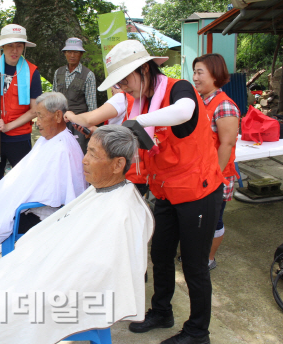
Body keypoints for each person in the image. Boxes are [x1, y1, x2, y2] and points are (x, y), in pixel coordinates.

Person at [0, 125, 154, 344]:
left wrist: (50, 273)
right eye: (87, 151)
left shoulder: (122, 211)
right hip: (56, 270)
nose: (84, 160)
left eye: (93, 154)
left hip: (70, 289)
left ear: (118, 164)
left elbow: (102, 272)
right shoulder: (103, 190)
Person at [99, 40, 224, 344]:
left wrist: (138, 121)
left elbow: (184, 112)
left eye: (126, 80)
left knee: (195, 266)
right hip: (166, 191)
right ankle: (161, 311)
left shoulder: (178, 88)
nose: (124, 88)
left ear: (143, 69)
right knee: (160, 254)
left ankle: (198, 332)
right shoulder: (139, 100)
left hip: (198, 191)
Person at [0, 92, 86, 286]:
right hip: (27, 202)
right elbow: (27, 176)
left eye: (40, 116)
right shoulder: (47, 140)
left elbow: (52, 195)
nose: (36, 122)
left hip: (44, 213)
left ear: (58, 116)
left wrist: (12, 200)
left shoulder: (62, 148)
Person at [0, 24, 42, 189]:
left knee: (24, 182)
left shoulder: (32, 71)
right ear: (2, 47)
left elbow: (35, 110)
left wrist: (8, 126)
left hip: (19, 136)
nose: (14, 50)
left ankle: (21, 214)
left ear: (24, 47)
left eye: (19, 46)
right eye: (10, 46)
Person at [193, 54, 240, 271]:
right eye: (194, 72)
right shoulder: (201, 101)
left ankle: (208, 259)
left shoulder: (225, 106)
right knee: (201, 218)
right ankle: (198, 253)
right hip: (201, 174)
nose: (195, 77)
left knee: (214, 219)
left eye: (199, 72)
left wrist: (215, 177)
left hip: (217, 177)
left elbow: (227, 144)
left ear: (215, 74)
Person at [64, 84, 153, 195]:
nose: (111, 93)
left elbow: (88, 119)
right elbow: (118, 136)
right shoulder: (145, 99)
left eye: (113, 88)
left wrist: (70, 115)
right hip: (140, 170)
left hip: (124, 172)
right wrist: (95, 131)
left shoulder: (122, 98)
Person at [53, 37, 97, 153]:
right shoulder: (58, 72)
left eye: (76, 52)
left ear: (81, 54)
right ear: (64, 53)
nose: (72, 55)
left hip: (79, 125)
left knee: (78, 154)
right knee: (60, 154)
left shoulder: (88, 75)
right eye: (69, 52)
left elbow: (92, 106)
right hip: (60, 123)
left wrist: (90, 128)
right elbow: (53, 100)